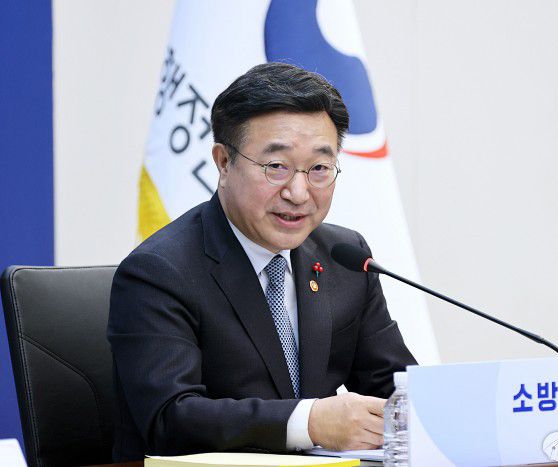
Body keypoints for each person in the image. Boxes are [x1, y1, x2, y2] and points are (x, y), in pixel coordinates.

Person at [107, 62, 416, 462]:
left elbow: (396, 388)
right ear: (224, 162)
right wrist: (310, 422)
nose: (298, 192)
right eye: (276, 167)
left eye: (319, 168)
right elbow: (171, 419)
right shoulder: (159, 272)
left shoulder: (344, 257)